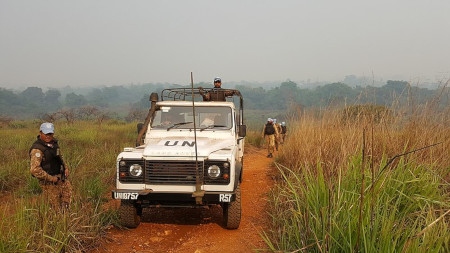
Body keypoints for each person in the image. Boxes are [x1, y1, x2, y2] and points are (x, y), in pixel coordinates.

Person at [29, 122, 72, 211]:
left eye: (50, 134)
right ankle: (57, 222)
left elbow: (60, 157)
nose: (48, 136)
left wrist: (65, 168)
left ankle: (66, 219)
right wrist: (51, 179)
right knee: (54, 207)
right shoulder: (37, 149)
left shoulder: (54, 144)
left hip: (61, 177)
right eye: (46, 134)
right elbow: (35, 170)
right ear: (40, 133)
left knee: (67, 200)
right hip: (48, 182)